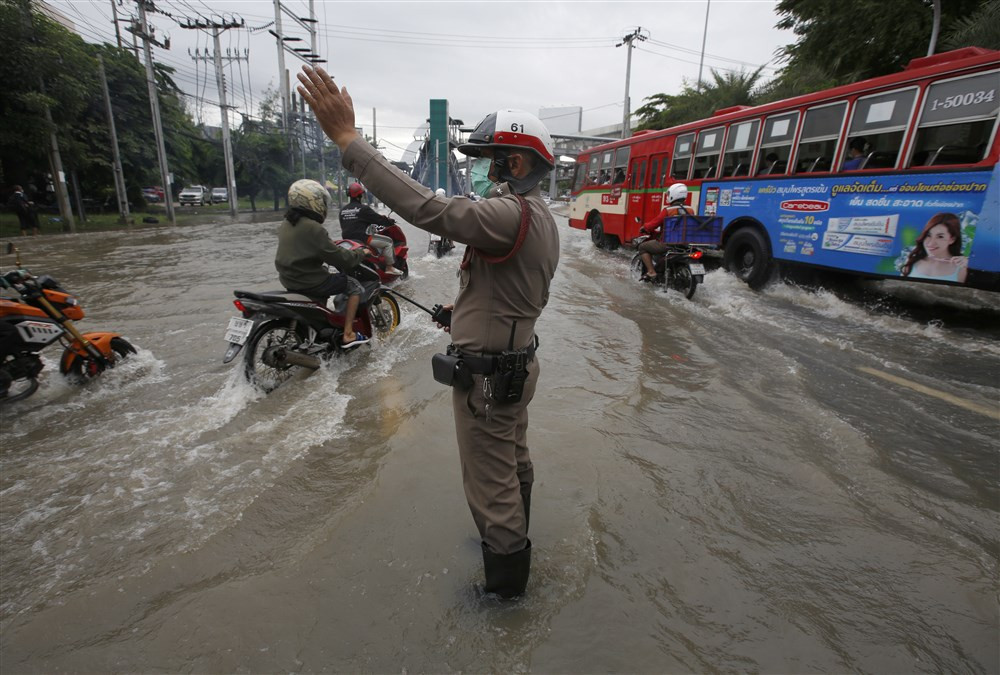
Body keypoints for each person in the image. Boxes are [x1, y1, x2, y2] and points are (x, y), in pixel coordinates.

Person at [297, 65, 559, 599]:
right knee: (513, 464)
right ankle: (510, 539)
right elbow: (506, 293)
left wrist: (350, 141)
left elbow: (426, 208)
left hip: (487, 380)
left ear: (514, 163)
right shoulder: (540, 215)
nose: (477, 174)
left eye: (485, 163)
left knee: (491, 485)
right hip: (513, 365)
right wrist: (457, 311)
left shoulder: (508, 213)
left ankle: (506, 596)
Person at [275, 178, 373, 348]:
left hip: (290, 280)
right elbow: (342, 259)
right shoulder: (313, 228)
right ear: (312, 201)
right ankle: (348, 333)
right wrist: (360, 253)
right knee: (354, 286)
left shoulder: (286, 223)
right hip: (311, 281)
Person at [339, 182, 403, 275]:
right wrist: (389, 222)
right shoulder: (363, 209)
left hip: (347, 240)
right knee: (388, 242)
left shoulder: (343, 211)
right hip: (362, 238)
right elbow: (378, 219)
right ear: (360, 195)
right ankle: (389, 267)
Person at [637, 183, 691, 280]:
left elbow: (654, 223)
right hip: (684, 243)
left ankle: (651, 272)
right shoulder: (690, 210)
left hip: (668, 243)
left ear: (673, 195)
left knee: (642, 247)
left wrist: (645, 227)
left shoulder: (668, 210)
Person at [900, 212, 968, 283]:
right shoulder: (911, 262)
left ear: (952, 239)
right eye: (928, 235)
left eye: (940, 237)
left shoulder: (961, 268)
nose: (931, 243)